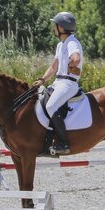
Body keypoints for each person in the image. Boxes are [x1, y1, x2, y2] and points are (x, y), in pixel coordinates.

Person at [34, 11, 83, 156]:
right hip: (58, 82)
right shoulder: (60, 45)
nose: (53, 28)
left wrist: (71, 63)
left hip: (68, 83)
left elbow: (76, 58)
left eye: (55, 26)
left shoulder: (72, 42)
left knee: (51, 106)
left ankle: (64, 143)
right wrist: (42, 79)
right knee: (41, 100)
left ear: (61, 27)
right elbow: (53, 67)